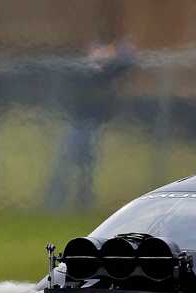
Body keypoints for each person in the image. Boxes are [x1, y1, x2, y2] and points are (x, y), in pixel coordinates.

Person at [44, 41, 133, 212]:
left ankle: (82, 200)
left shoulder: (107, 73)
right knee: (65, 164)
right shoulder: (83, 72)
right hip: (75, 123)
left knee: (87, 167)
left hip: (93, 126)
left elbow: (126, 61)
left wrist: (118, 52)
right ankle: (55, 200)